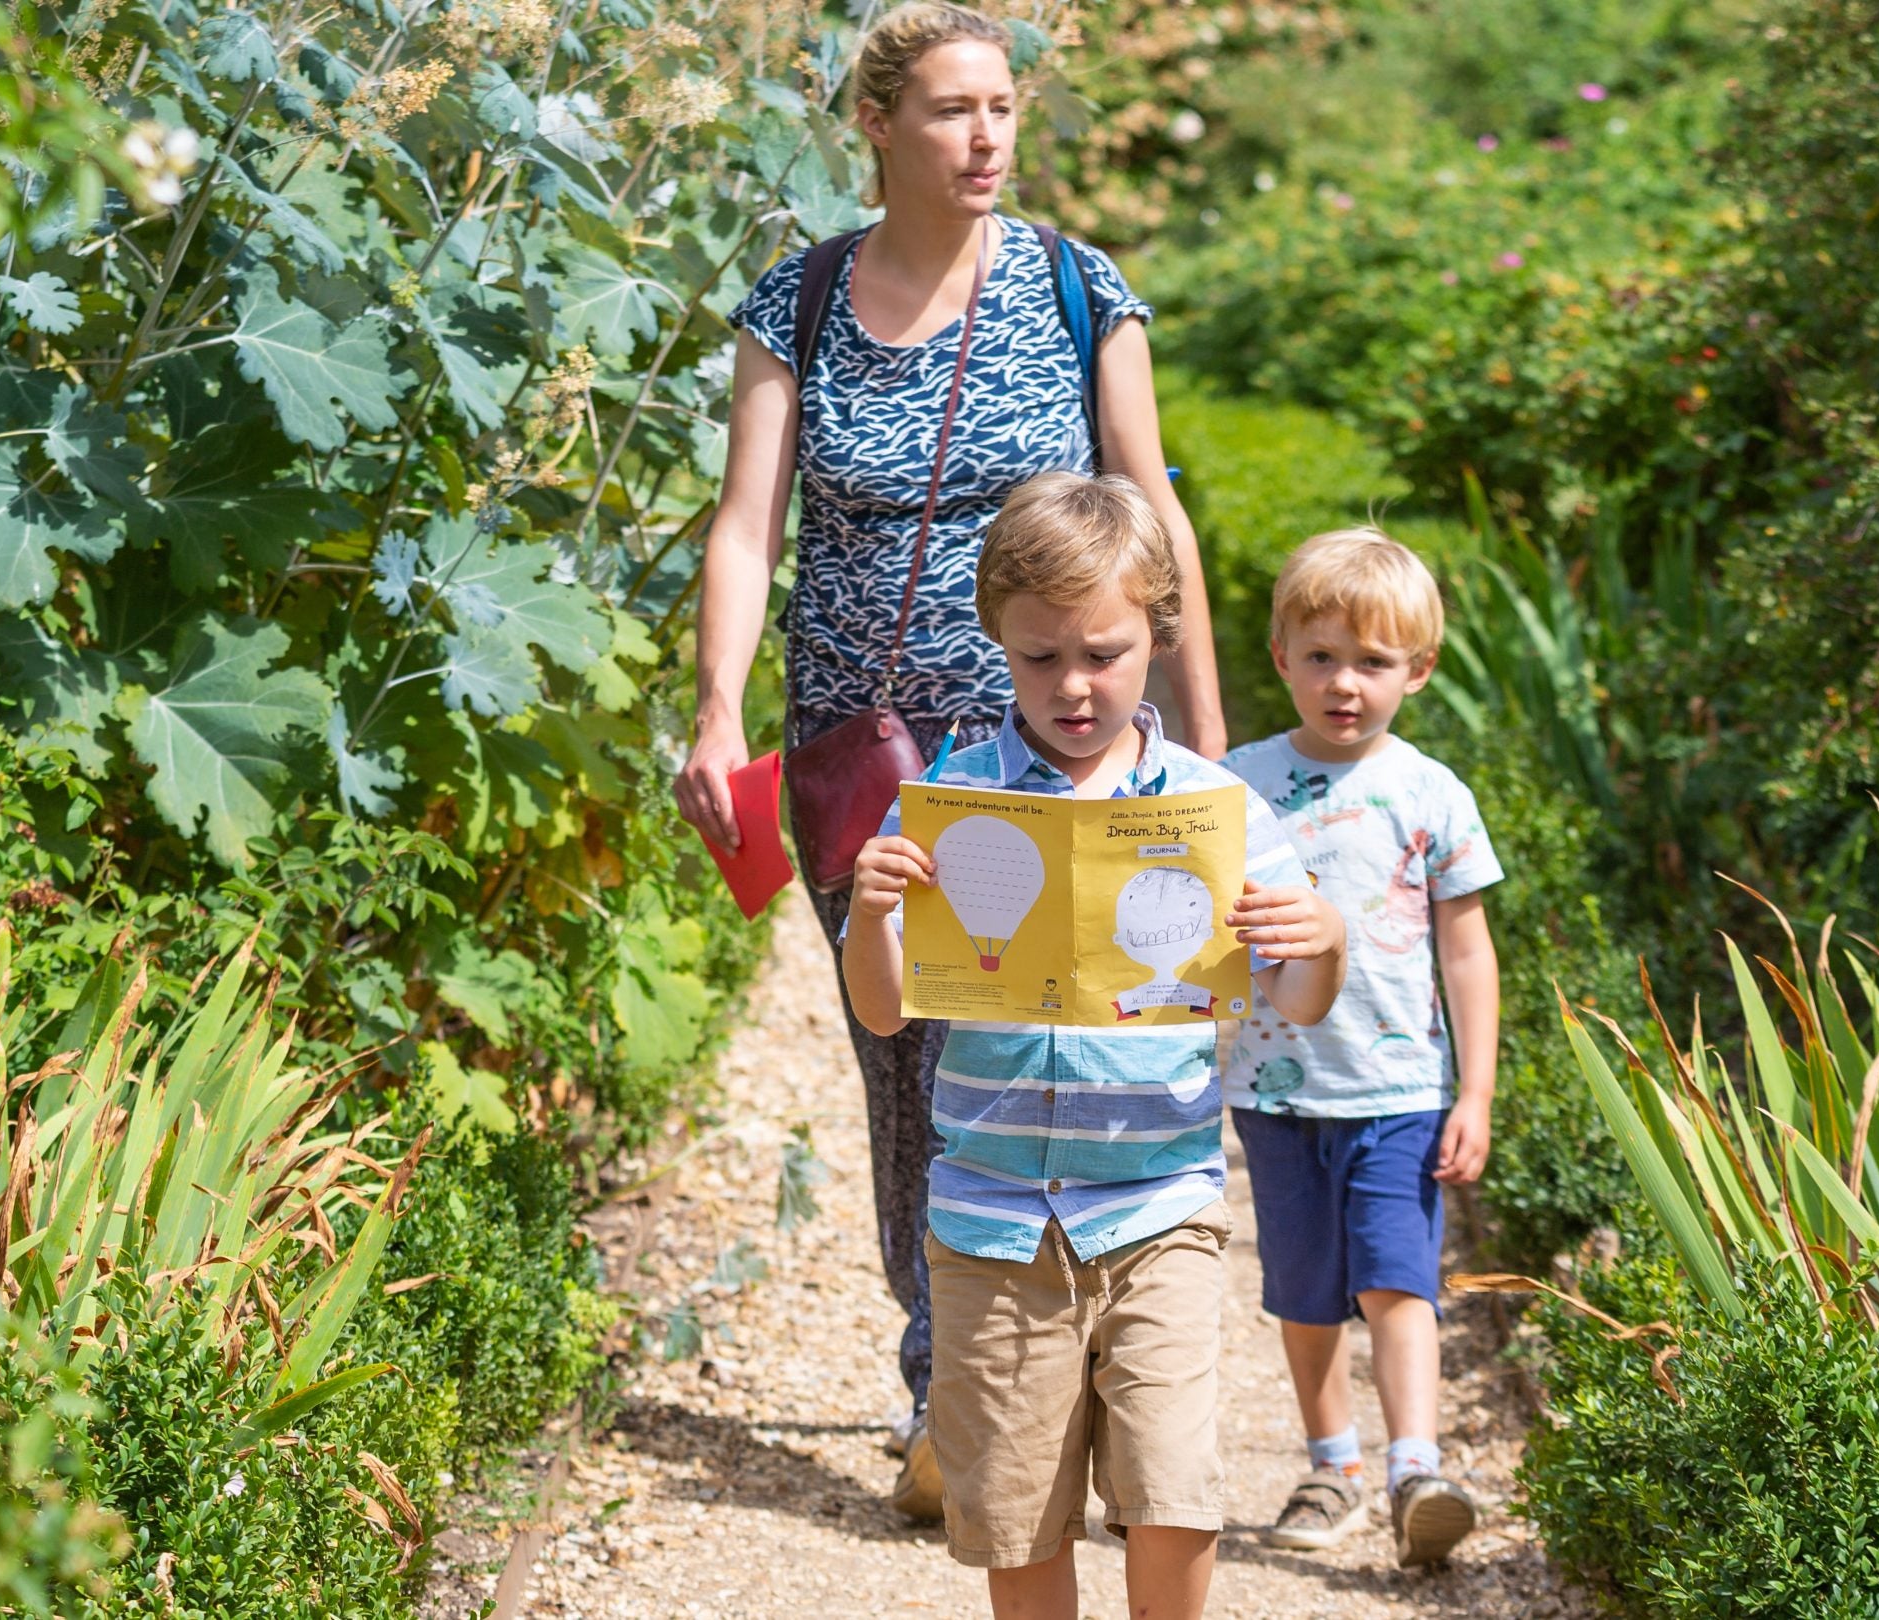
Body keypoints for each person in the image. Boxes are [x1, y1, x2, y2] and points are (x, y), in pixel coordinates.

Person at [672, 1, 1228, 1516]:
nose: (986, 136)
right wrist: (720, 711)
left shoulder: (1071, 283)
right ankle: (950, 1393)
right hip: (860, 752)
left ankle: (1118, 1373)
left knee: (1095, 1035)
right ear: (877, 125)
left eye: (1002, 108)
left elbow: (1149, 505)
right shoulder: (795, 304)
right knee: (909, 1049)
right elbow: (746, 526)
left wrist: (1210, 729)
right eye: (950, 110)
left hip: (1065, 739)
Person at [839, 473, 1346, 1620]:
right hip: (992, 1224)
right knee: (1019, 1513)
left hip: (1161, 1206)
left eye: (1105, 654)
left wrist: (1322, 939)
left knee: (1172, 1494)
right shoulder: (948, 800)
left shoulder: (1216, 810)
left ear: (1158, 637)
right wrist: (872, 916)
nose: (1073, 686)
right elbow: (883, 1013)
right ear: (998, 643)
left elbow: (1301, 1000)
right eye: (1039, 658)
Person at [1217, 528, 1503, 1568]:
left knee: (1397, 1280)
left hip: (1398, 1086)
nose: (1346, 684)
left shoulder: (1432, 794)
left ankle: (1412, 1467)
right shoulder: (1234, 786)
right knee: (1303, 1290)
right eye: (1324, 656)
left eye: (1374, 663)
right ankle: (1331, 1460)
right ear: (1282, 655)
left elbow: (1467, 954)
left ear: (1417, 672)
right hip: (1276, 1087)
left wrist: (1474, 1092)